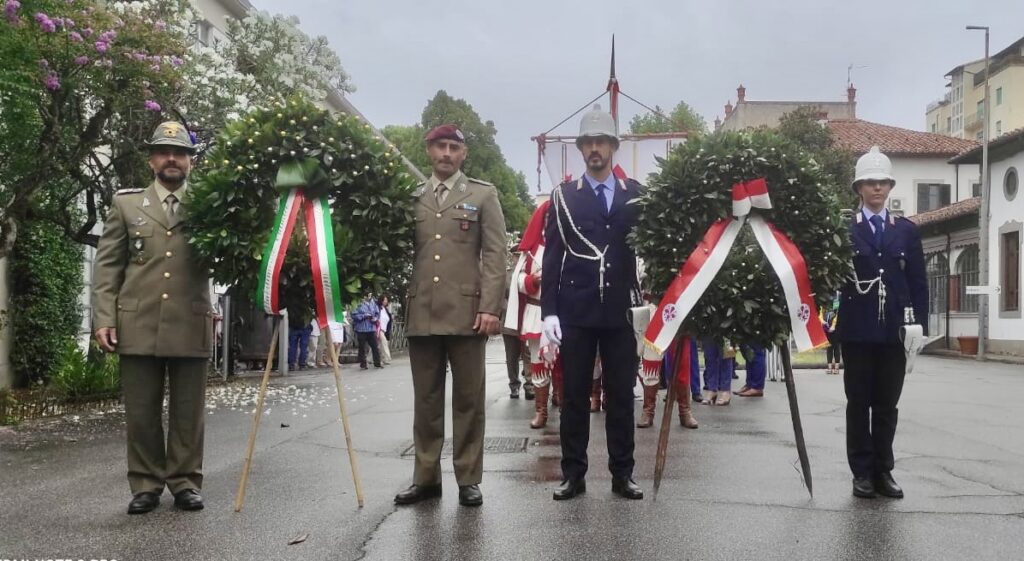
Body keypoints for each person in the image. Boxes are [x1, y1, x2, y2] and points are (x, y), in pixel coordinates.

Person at [92, 121, 212, 514]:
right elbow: (108, 267)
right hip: (138, 321)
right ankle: (145, 484)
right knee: (141, 412)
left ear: (191, 162)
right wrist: (104, 318)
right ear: (151, 160)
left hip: (190, 321)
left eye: (181, 153)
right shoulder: (126, 204)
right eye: (164, 152)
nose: (173, 158)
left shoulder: (211, 204)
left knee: (188, 413)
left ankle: (184, 482)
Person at [394, 124, 506, 508]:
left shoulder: (482, 194)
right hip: (422, 311)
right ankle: (425, 477)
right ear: (428, 150)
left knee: (468, 400)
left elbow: (495, 255)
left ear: (463, 154)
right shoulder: (412, 197)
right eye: (440, 146)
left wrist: (491, 306)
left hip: (467, 312)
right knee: (425, 400)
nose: (446, 153)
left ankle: (468, 478)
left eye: (453, 147)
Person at [542, 106, 645, 501]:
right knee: (574, 396)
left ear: (613, 147)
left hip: (620, 310)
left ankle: (623, 473)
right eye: (588, 143)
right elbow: (553, 256)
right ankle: (573, 473)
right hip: (577, 310)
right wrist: (549, 310)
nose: (595, 148)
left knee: (621, 395)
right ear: (582, 149)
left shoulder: (635, 195)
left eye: (602, 141)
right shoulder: (564, 197)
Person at [839, 146, 928, 499]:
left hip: (895, 331)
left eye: (882, 182)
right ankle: (861, 472)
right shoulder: (846, 229)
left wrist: (919, 327)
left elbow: (918, 283)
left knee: (887, 406)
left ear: (890, 187)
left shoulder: (905, 231)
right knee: (858, 403)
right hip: (858, 331)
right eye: (870, 182)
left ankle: (883, 471)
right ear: (859, 188)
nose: (877, 189)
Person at [506, 202, 563, 426]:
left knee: (564, 361)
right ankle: (541, 411)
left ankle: (562, 400)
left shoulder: (570, 245)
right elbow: (517, 280)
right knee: (539, 360)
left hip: (564, 313)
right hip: (536, 311)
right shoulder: (531, 250)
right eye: (549, 218)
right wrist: (532, 280)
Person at [501, 252, 533, 400]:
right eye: (516, 255)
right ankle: (514, 385)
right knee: (511, 357)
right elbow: (500, 296)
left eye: (522, 255)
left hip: (527, 320)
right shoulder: (507, 275)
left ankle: (530, 385)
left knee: (529, 354)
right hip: (510, 321)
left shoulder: (532, 274)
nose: (519, 258)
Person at [352, 294, 382, 370]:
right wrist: (364, 316)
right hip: (361, 329)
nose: (369, 296)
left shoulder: (373, 303)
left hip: (371, 328)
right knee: (362, 347)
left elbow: (377, 313)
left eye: (370, 294)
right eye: (367, 295)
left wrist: (375, 318)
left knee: (375, 346)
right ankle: (363, 364)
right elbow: (354, 315)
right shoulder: (358, 303)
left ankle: (377, 363)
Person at [287, 305, 312, 370]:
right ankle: (302, 364)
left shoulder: (292, 304)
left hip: (294, 327)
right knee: (304, 347)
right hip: (305, 327)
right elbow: (310, 316)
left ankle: (291, 364)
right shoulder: (307, 305)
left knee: (292, 346)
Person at [821, 294, 841, 375]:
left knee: (836, 347)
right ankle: (829, 367)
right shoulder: (823, 297)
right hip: (826, 327)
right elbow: (820, 311)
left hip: (835, 327)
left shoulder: (836, 298)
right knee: (829, 347)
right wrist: (822, 321)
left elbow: (837, 313)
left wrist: (833, 325)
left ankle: (836, 368)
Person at [377, 295, 393, 366]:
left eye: (386, 300)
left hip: (384, 329)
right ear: (381, 300)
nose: (386, 301)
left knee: (378, 345)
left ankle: (369, 358)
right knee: (384, 342)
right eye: (385, 300)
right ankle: (387, 358)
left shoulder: (385, 309)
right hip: (378, 328)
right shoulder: (378, 308)